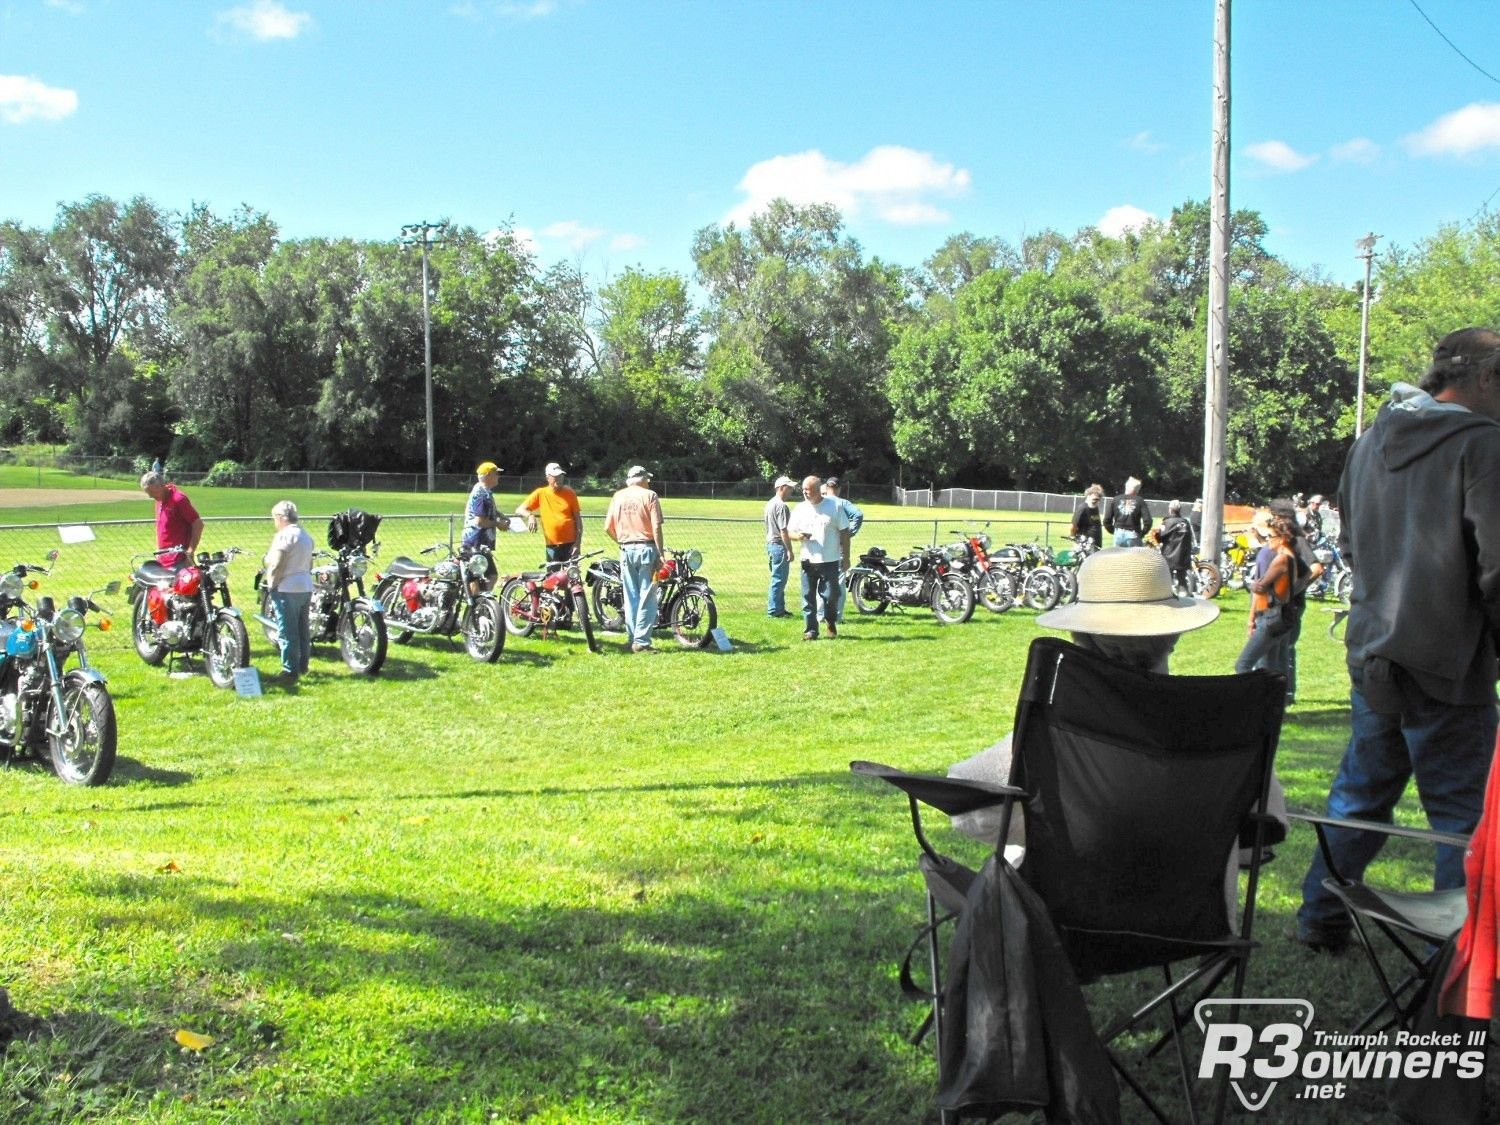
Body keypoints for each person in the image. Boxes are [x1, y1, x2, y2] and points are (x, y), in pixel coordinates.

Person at [1295, 328, 1500, 954]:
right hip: (1448, 663)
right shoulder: (1484, 444)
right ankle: (1457, 958)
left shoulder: (1368, 442)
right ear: (1486, 379)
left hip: (1374, 655)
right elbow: (1497, 563)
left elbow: (1351, 547)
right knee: (1461, 820)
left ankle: (1320, 917)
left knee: (1361, 797)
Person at [604, 465, 665, 653]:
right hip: (646, 548)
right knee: (648, 596)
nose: (648, 481)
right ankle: (641, 642)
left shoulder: (618, 496)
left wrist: (621, 543)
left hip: (626, 550)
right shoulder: (650, 496)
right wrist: (660, 552)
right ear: (640, 479)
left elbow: (607, 527)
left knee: (631, 597)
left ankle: (632, 637)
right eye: (647, 478)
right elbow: (656, 527)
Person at [1234, 511, 1299, 676]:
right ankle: (1280, 698)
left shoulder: (1276, 558)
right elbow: (1305, 575)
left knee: (1244, 665)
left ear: (1282, 538)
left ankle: (1254, 699)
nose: (1269, 540)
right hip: (1286, 614)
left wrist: (1251, 620)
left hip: (1270, 615)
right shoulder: (1292, 556)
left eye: (1272, 537)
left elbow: (1259, 589)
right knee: (1276, 666)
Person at [787, 475, 851, 641]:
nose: (805, 493)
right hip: (808, 560)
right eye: (803, 490)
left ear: (817, 490)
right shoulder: (800, 508)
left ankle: (830, 621)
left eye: (808, 490)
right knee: (808, 597)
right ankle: (811, 631)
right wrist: (798, 536)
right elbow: (790, 532)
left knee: (831, 595)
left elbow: (845, 531)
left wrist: (846, 557)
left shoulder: (834, 506)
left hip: (830, 560)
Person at [263, 500, 314, 684]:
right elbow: (310, 563)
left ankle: (289, 669)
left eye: (274, 518)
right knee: (302, 630)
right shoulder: (305, 535)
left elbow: (278, 563)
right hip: (305, 585)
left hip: (287, 586)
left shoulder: (284, 536)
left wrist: (272, 584)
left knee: (287, 631)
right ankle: (302, 665)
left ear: (280, 518)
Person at [516, 461, 583, 563]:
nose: (558, 479)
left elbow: (578, 519)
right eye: (555, 476)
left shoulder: (570, 493)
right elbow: (520, 509)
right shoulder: (541, 493)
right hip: (552, 545)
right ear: (548, 478)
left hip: (570, 544)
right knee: (553, 576)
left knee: (572, 576)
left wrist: (577, 543)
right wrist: (530, 516)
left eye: (560, 476)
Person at [821, 476, 863, 623]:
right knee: (838, 582)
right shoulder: (842, 503)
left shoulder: (820, 502)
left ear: (826, 487)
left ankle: (820, 615)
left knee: (820, 581)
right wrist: (848, 534)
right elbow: (858, 514)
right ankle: (836, 617)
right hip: (837, 547)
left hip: (821, 546)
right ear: (839, 488)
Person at [140, 471, 203, 568]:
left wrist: (190, 551)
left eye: (152, 492)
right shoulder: (159, 501)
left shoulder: (178, 499)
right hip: (164, 559)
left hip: (179, 560)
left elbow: (198, 524)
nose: (150, 496)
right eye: (148, 493)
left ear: (161, 486)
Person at [462, 461, 502, 591]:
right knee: (478, 577)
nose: (498, 476)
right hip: (475, 542)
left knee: (489, 575)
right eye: (496, 474)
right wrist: (498, 523)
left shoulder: (484, 491)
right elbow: (481, 522)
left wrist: (501, 516)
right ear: (488, 475)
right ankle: (477, 605)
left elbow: (489, 511)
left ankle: (482, 604)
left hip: (479, 542)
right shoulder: (482, 494)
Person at [763, 475, 797, 618]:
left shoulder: (770, 503)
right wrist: (789, 550)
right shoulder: (782, 506)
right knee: (778, 580)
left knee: (778, 579)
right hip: (779, 546)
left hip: (771, 545)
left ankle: (780, 608)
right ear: (782, 488)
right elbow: (784, 531)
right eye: (789, 488)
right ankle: (774, 610)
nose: (791, 491)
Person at [1156, 499, 1194, 592]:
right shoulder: (1185, 522)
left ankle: (1168, 595)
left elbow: (1160, 537)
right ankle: (1184, 596)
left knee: (1168, 578)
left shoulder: (1167, 522)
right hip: (1183, 555)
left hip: (1169, 554)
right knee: (1182, 578)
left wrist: (1157, 533)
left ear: (1170, 509)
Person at [1103, 476, 1152, 547]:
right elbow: (1148, 521)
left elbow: (1106, 520)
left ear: (1126, 486)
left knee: (1118, 557)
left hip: (1118, 534)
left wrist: (1113, 531)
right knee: (1134, 558)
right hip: (1133, 534)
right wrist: (1143, 533)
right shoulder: (1140, 501)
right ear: (1137, 489)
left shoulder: (1116, 499)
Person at [1070, 484, 1105, 548]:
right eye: (1095, 499)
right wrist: (1074, 539)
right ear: (1089, 495)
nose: (1096, 501)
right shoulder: (1082, 508)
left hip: (1096, 544)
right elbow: (1073, 526)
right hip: (1085, 545)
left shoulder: (1095, 508)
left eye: (1098, 499)